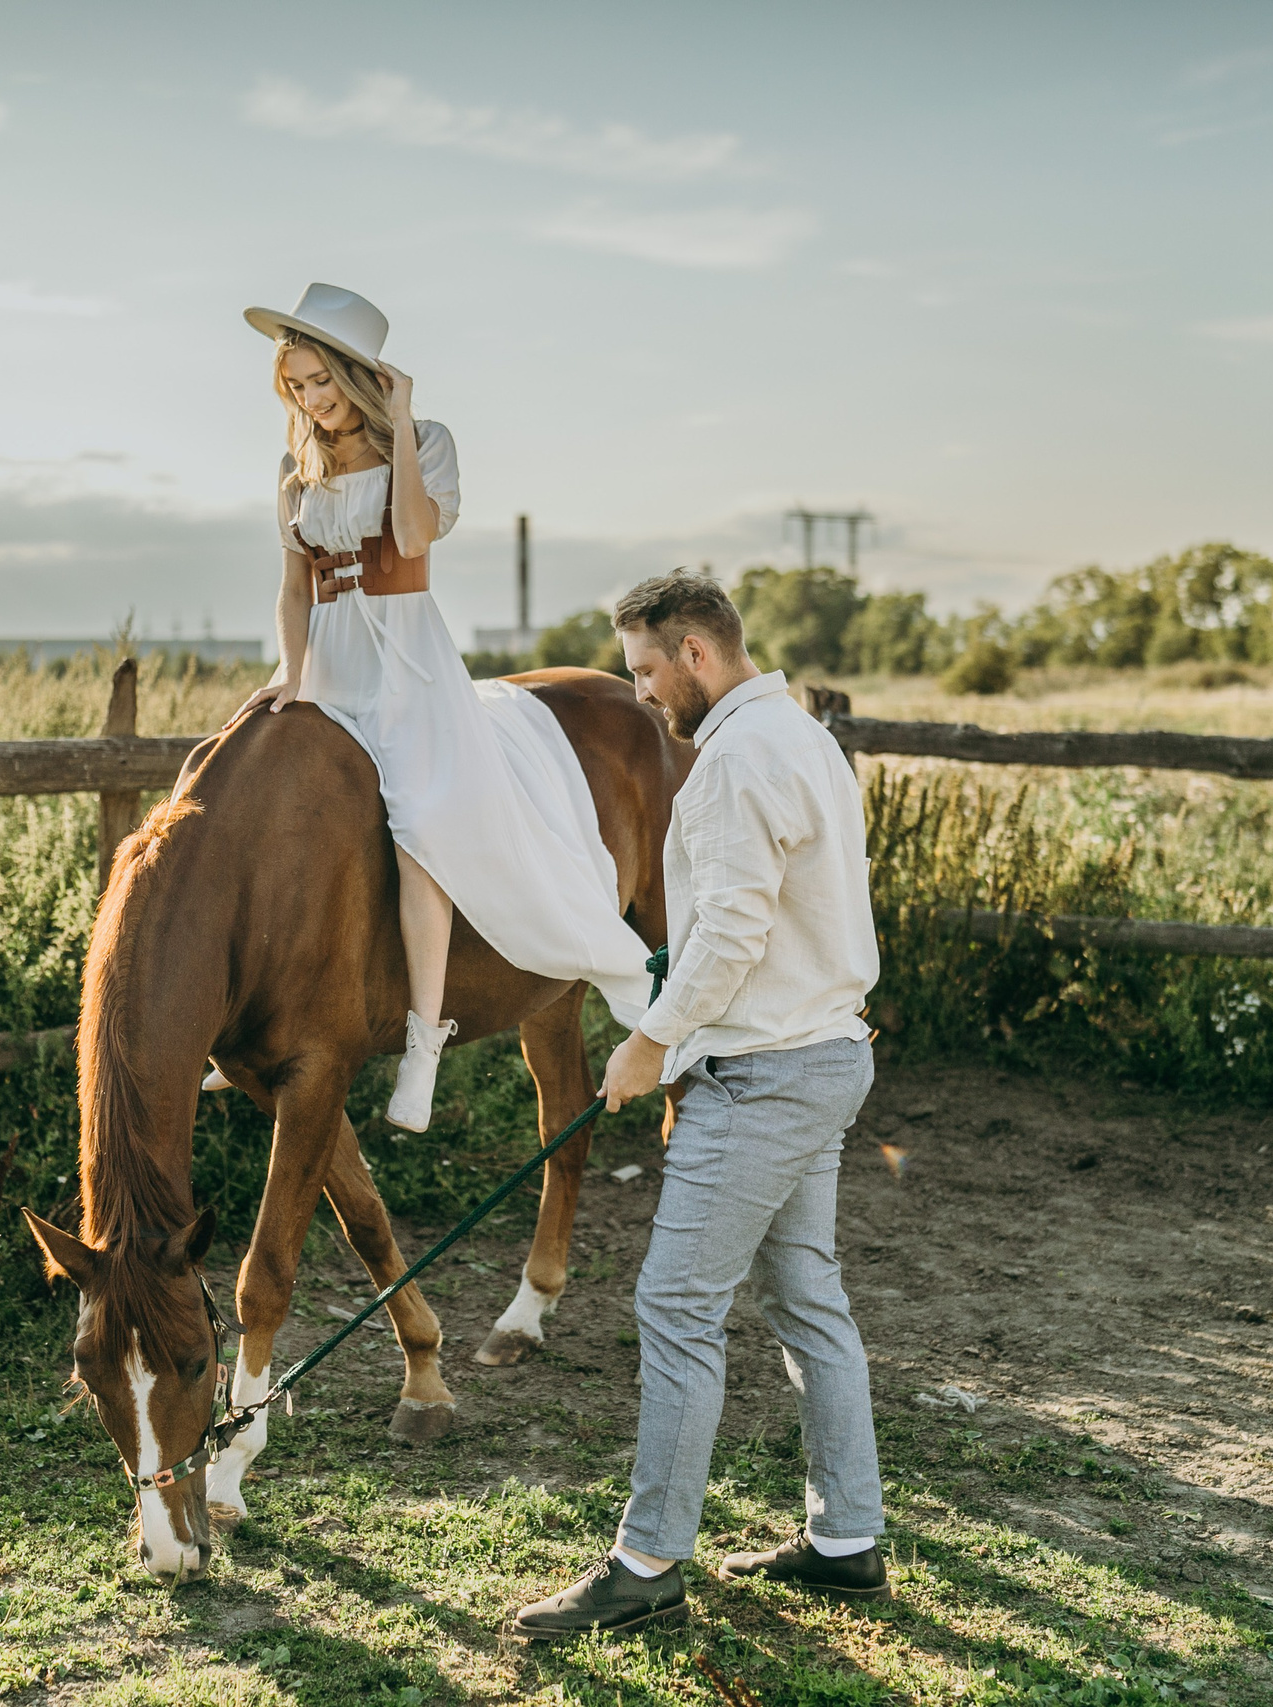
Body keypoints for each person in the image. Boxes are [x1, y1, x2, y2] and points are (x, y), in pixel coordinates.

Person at [511, 572, 886, 1641]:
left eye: (642, 671)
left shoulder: (732, 761)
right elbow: (758, 916)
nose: (637, 695)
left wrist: (648, 1041)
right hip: (820, 1049)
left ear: (694, 652)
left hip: (764, 1073)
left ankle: (646, 1564)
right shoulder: (801, 735)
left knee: (675, 1307)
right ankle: (845, 1541)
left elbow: (727, 933)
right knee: (807, 1295)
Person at [228, 283, 656, 1129]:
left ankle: (423, 1041)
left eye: (322, 381)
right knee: (269, 803)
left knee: (422, 835)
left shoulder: (425, 443)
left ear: (357, 375)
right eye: (297, 386)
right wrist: (292, 672)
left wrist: (405, 416)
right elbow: (292, 589)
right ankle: (253, 1013)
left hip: (408, 663)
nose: (312, 400)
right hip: (334, 661)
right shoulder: (294, 471)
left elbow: (415, 537)